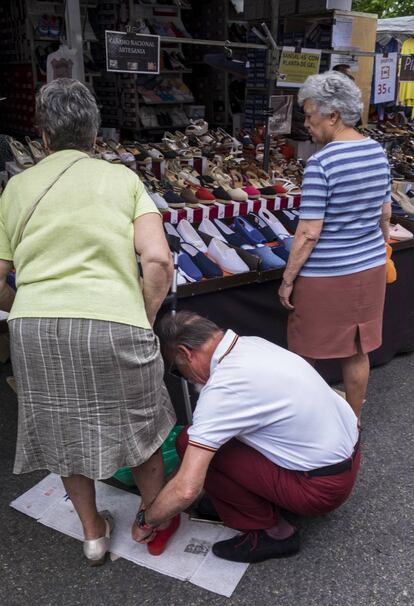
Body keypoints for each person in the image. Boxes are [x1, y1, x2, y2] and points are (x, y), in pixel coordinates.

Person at [0, 78, 177, 566]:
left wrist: (23, 305)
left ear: (43, 134)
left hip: (35, 327)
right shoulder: (122, 180)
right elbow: (158, 262)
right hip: (114, 319)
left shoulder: (16, 187)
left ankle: (93, 534)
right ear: (95, 135)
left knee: (61, 432)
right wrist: (140, 319)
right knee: (139, 429)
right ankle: (152, 518)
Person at [131, 311, 360, 564]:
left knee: (188, 442)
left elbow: (186, 490)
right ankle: (243, 501)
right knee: (209, 441)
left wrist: (147, 519)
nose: (183, 376)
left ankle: (273, 533)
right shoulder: (253, 344)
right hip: (346, 459)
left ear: (186, 354)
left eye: (177, 371)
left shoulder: (224, 387)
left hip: (320, 489)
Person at [278, 71, 391, 419]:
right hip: (369, 268)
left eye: (310, 117)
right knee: (357, 350)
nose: (307, 125)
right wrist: (375, 248)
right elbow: (385, 214)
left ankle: (308, 425)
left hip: (326, 275)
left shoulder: (321, 163)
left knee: (303, 351)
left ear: (334, 115)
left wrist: (287, 279)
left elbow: (309, 232)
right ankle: (352, 423)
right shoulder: (376, 151)